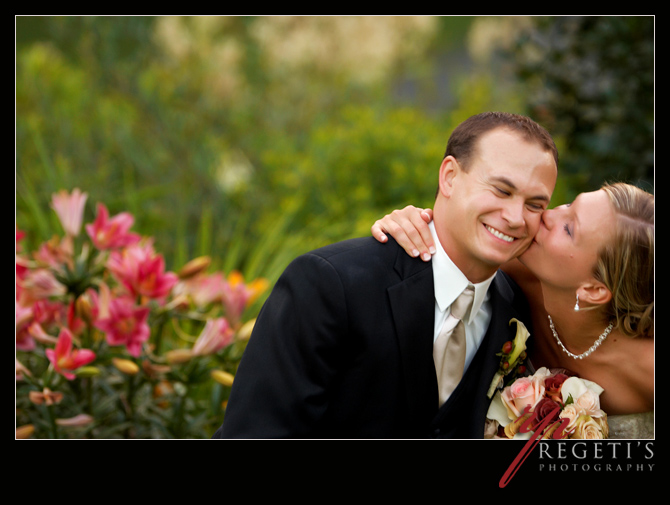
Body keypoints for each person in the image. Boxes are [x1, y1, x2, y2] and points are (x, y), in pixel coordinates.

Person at [212, 111, 558, 438]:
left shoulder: (517, 311)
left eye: (535, 205)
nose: (515, 217)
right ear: (449, 176)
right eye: (501, 189)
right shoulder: (331, 284)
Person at [371, 182, 654, 438]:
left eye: (569, 229)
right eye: (568, 205)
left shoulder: (647, 366)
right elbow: (447, 243)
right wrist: (413, 224)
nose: (547, 214)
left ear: (593, 291)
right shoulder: (515, 264)